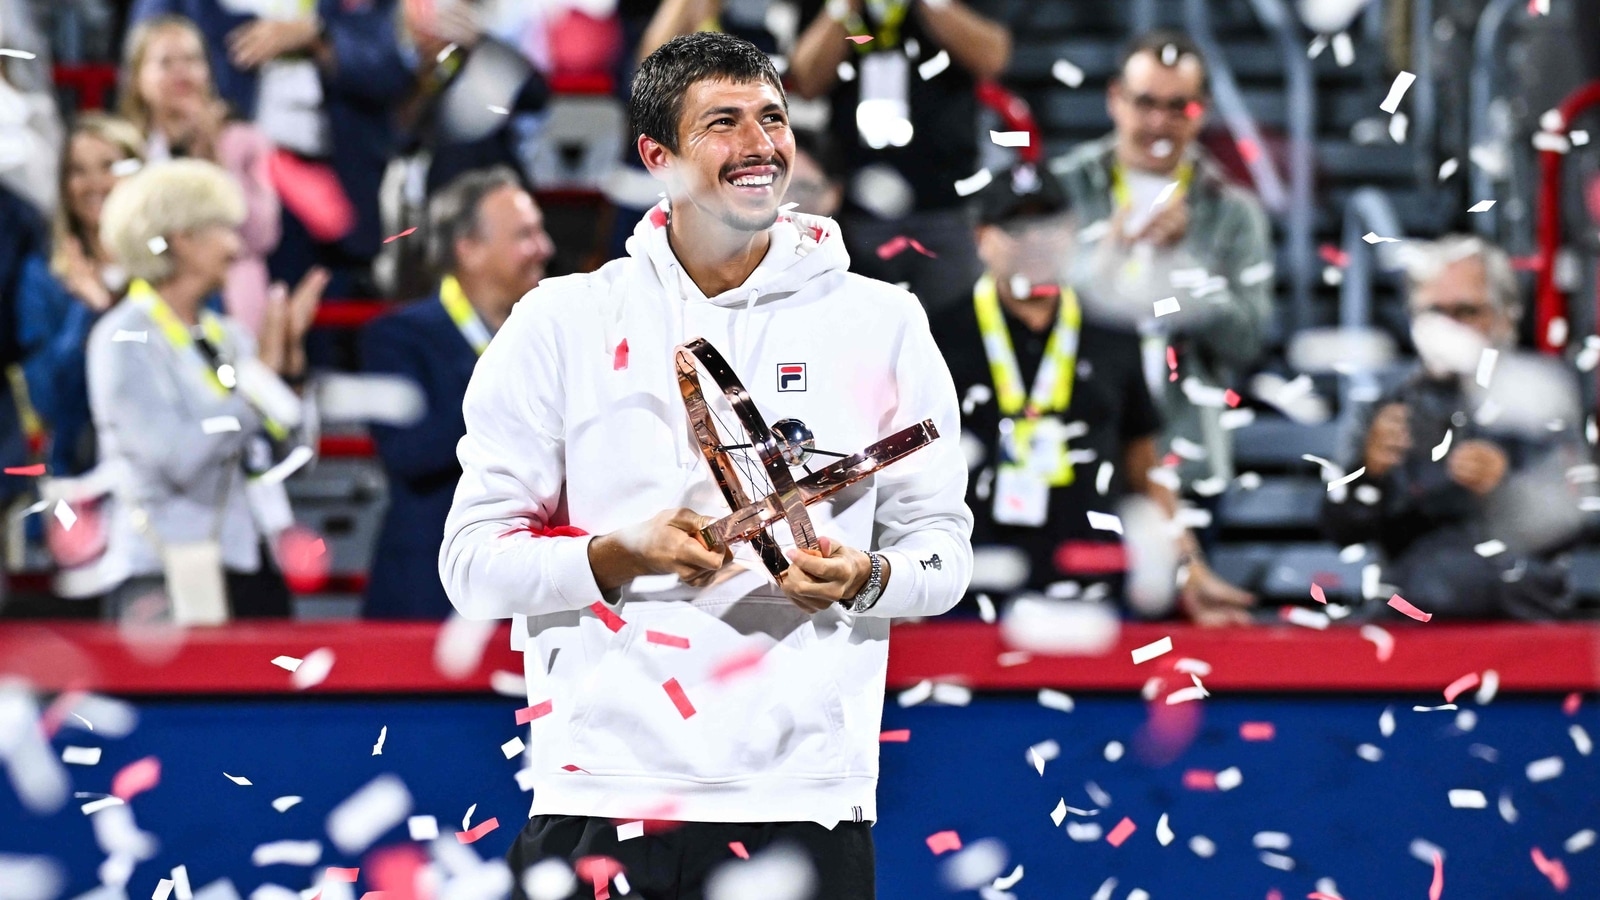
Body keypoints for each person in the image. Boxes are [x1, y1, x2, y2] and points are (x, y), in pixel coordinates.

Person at [440, 32, 971, 898]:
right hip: (600, 796)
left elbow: (942, 552)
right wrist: (619, 553)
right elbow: (470, 568)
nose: (760, 146)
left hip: (806, 802)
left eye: (772, 118)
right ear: (659, 157)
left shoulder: (885, 323)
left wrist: (866, 576)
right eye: (722, 123)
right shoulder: (560, 321)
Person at [931, 162, 1254, 625]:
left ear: (1072, 232)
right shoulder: (937, 334)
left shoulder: (1113, 332)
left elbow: (1145, 467)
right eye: (1017, 227)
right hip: (973, 585)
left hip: (1093, 584)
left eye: (1050, 225)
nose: (1036, 241)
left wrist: (1191, 568)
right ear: (982, 238)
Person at [85, 159, 325, 621]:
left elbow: (292, 459)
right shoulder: (124, 338)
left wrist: (289, 375)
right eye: (221, 229)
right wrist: (259, 385)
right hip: (161, 574)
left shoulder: (229, 336)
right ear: (181, 238)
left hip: (249, 560)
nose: (236, 247)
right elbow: (178, 457)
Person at [1049, 30, 1273, 493]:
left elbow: (1248, 340)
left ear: (1203, 108)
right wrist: (1107, 257)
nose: (1158, 122)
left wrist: (1184, 269)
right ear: (1115, 98)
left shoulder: (1232, 209)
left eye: (1179, 107)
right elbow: (1025, 308)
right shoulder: (1061, 190)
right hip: (1071, 446)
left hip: (1184, 453)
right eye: (1145, 103)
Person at [1322, 236, 1588, 620]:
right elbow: (1338, 528)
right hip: (1415, 607)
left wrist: (1505, 490)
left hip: (1524, 608)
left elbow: (1575, 517)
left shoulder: (1540, 394)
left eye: (1466, 312)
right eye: (1434, 312)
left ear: (1504, 315)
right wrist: (1369, 473)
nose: (1450, 328)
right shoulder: (1384, 405)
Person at [362, 167, 553, 620]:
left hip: (535, 586)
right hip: (429, 591)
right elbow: (409, 452)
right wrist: (509, 395)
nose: (545, 248)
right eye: (524, 234)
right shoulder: (398, 337)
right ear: (468, 249)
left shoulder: (551, 337)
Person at [128, 0, 411, 295]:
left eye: (190, 60)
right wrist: (205, 136)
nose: (181, 70)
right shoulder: (144, 150)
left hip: (338, 188)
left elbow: (390, 71)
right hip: (226, 172)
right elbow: (146, 48)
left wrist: (319, 36)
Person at [788, 0, 1010, 316]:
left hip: (946, 203)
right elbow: (805, 81)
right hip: (856, 210)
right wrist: (842, 8)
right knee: (862, 331)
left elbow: (994, 58)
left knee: (953, 336)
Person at [119, 14, 281, 335]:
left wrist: (215, 157)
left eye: (192, 60)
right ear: (137, 77)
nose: (182, 72)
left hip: (234, 298)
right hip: (148, 299)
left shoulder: (245, 141)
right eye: (166, 62)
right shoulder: (123, 147)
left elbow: (262, 234)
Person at [16, 115, 146, 476]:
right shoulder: (43, 277)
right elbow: (49, 401)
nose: (94, 184)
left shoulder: (171, 267)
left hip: (168, 474)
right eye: (78, 171)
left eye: (109, 166)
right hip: (79, 478)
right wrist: (86, 311)